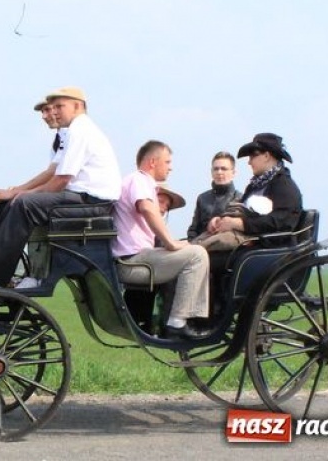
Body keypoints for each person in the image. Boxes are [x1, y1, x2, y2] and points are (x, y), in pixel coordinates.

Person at [0, 86, 122, 287]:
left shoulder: (81, 130)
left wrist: (24, 195)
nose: (54, 112)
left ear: (78, 106)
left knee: (24, 204)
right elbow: (52, 172)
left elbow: (61, 180)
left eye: (59, 106)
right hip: (80, 198)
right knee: (0, 202)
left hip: (93, 202)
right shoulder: (73, 132)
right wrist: (15, 191)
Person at [112, 140, 210, 339]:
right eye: (167, 162)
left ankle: (177, 319)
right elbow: (147, 208)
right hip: (132, 262)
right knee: (197, 255)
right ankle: (178, 321)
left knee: (191, 251)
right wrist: (170, 243)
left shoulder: (134, 181)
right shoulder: (140, 180)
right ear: (153, 162)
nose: (170, 167)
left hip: (133, 258)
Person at [193, 133, 302, 251]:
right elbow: (241, 210)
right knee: (195, 250)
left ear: (266, 156)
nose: (249, 162)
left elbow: (280, 222)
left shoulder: (284, 186)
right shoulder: (255, 186)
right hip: (246, 243)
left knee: (199, 255)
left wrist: (239, 224)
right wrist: (221, 219)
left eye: (252, 157)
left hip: (267, 247)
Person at [186, 152, 241, 240]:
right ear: (211, 172)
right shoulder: (202, 198)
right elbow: (193, 229)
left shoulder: (241, 199)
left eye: (224, 169)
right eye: (216, 169)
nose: (219, 172)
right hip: (201, 247)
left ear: (233, 173)